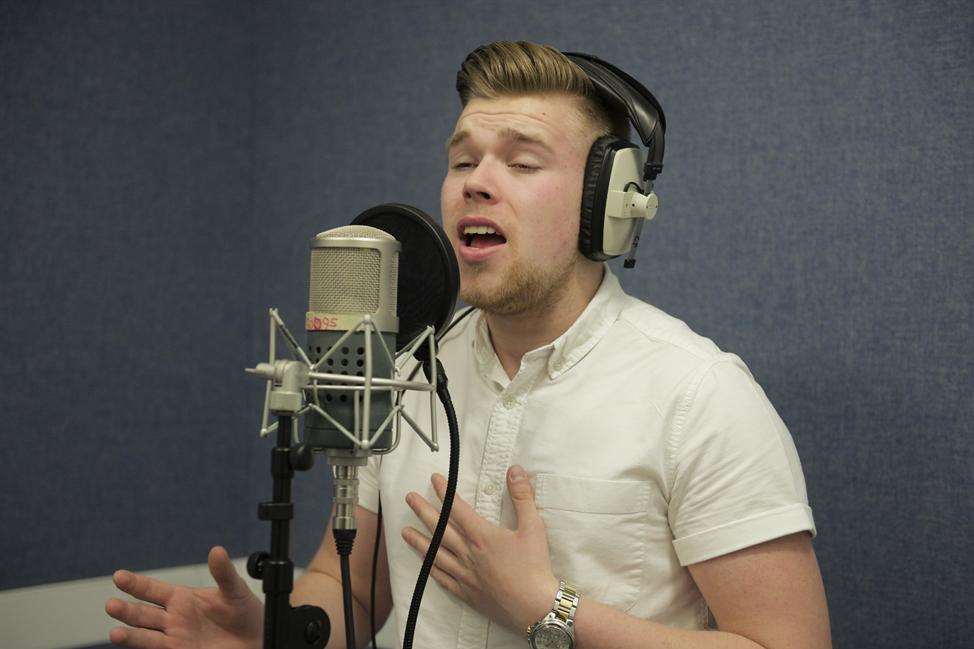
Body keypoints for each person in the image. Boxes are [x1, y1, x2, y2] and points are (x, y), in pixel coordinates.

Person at [106, 41, 831, 649]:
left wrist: (549, 605)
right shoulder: (399, 369)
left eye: (521, 162)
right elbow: (349, 583)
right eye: (463, 160)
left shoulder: (700, 395)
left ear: (606, 204)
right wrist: (282, 629)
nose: (476, 183)